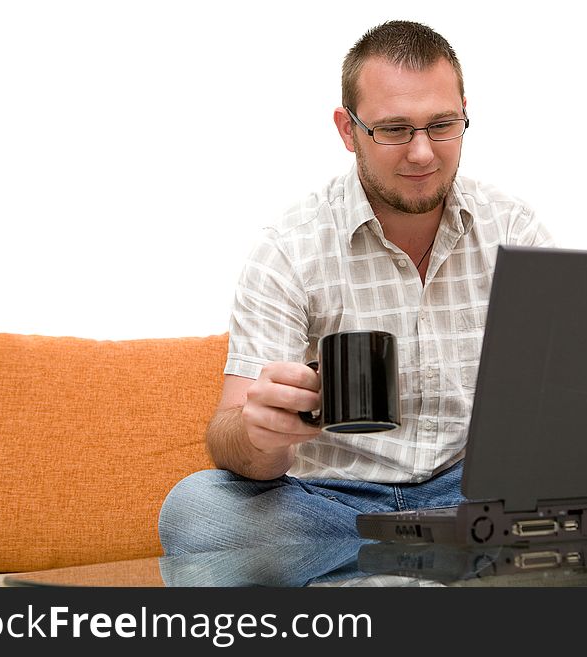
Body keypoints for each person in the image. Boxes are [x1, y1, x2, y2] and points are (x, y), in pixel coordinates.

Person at [158, 20, 554, 554]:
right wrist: (261, 435)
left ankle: (383, 572)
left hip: (475, 495)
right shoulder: (288, 249)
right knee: (198, 510)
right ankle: (429, 563)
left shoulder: (513, 230)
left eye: (442, 125)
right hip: (334, 504)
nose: (422, 153)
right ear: (348, 130)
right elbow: (232, 438)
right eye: (394, 129)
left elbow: (558, 399)